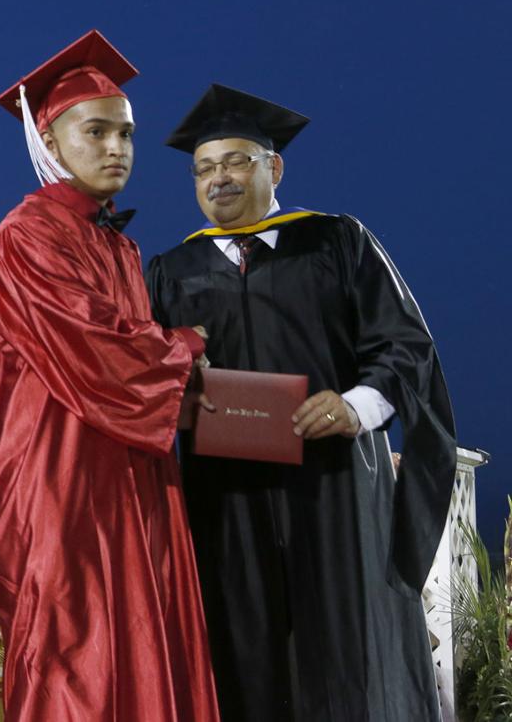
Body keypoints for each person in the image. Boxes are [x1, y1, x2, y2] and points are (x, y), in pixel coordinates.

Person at [147, 84, 456, 721]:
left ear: (275, 167)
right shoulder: (170, 270)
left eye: (236, 161)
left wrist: (356, 405)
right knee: (239, 649)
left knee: (344, 652)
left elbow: (404, 346)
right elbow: (135, 367)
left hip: (334, 484)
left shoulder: (336, 242)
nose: (218, 179)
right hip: (224, 495)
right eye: (203, 168)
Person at [0, 31, 220, 721]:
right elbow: (97, 349)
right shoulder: (26, 234)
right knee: (72, 662)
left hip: (131, 478)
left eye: (126, 133)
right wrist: (185, 344)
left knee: (143, 644)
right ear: (50, 144)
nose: (117, 148)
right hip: (59, 484)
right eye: (96, 131)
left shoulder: (118, 245)